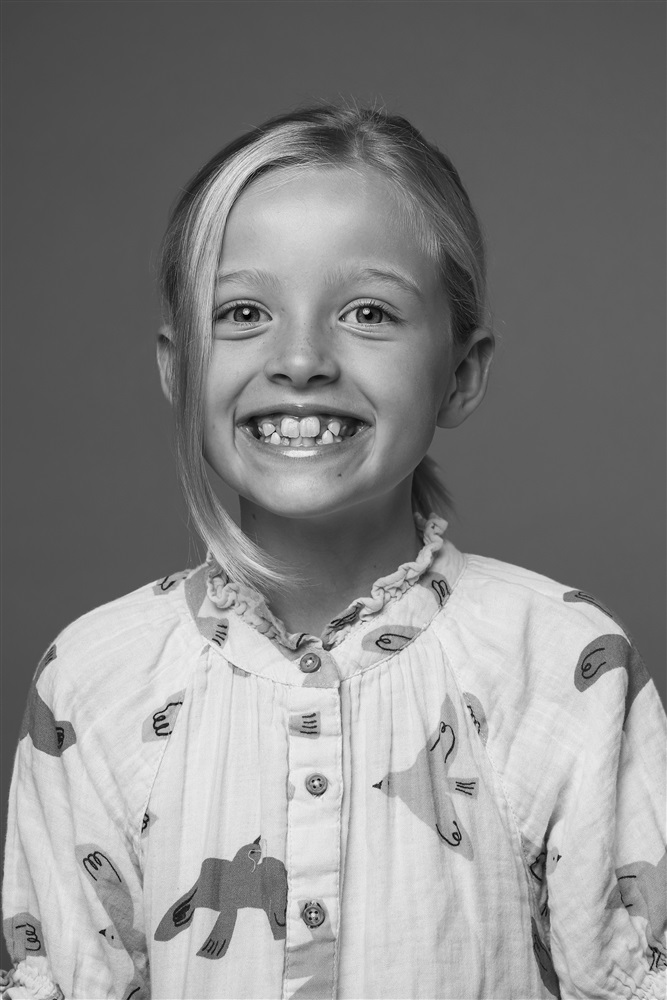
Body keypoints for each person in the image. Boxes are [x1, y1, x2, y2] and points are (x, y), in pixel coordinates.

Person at [2, 103, 665, 1000]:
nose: (301, 358)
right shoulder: (94, 681)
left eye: (367, 312)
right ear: (177, 368)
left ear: (460, 373)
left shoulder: (560, 666)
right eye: (243, 312)